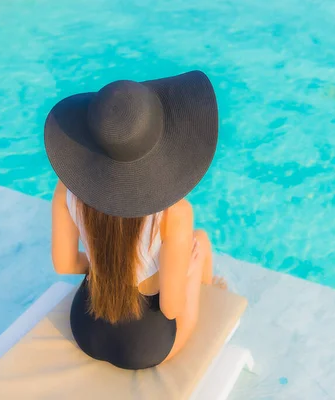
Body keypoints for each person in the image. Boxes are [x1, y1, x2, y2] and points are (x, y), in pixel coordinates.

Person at [44, 70, 225, 370]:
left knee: (190, 250)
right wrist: (183, 272)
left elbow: (64, 264)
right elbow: (170, 308)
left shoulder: (68, 189)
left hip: (86, 328)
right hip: (144, 346)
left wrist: (111, 264)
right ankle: (214, 290)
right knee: (201, 243)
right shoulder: (175, 213)